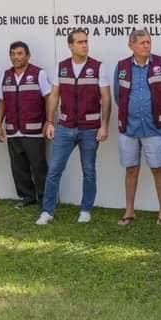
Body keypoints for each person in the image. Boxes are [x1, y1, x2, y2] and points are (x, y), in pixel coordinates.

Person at [36, 29, 111, 225]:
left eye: (86, 42)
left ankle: (85, 210)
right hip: (65, 127)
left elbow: (106, 98)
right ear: (70, 45)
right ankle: (47, 211)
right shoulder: (61, 67)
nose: (84, 45)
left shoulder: (97, 67)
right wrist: (50, 121)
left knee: (89, 171)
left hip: (90, 128)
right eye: (79, 42)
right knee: (54, 170)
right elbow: (54, 95)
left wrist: (104, 126)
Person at [114, 28, 161, 226]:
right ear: (131, 45)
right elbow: (118, 96)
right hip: (129, 128)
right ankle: (129, 211)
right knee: (131, 169)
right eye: (142, 43)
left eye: (148, 42)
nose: (147, 46)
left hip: (154, 128)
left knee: (158, 169)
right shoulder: (122, 66)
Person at [0, 41, 52, 208]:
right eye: (12, 54)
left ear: (27, 56)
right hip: (13, 130)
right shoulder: (5, 75)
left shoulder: (38, 73)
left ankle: (44, 199)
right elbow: (2, 101)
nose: (16, 57)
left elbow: (49, 98)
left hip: (34, 130)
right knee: (18, 167)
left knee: (39, 166)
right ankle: (27, 197)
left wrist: (48, 121)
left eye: (20, 53)